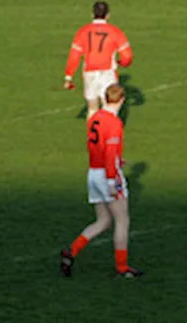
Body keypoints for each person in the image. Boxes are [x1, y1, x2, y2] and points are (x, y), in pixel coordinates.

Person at [59, 84, 142, 279]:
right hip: (107, 175)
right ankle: (122, 268)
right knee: (122, 221)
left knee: (103, 221)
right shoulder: (114, 123)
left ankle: (71, 252)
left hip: (93, 173)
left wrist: (116, 161)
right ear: (121, 101)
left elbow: (98, 147)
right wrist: (113, 180)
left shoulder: (94, 118)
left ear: (105, 99)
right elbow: (110, 152)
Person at [63, 2, 134, 117]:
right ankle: (109, 134)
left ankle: (92, 134)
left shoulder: (83, 31)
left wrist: (68, 77)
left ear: (92, 15)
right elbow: (127, 56)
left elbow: (74, 55)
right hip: (108, 73)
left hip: (89, 73)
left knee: (92, 108)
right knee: (110, 109)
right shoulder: (115, 31)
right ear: (108, 15)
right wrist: (122, 63)